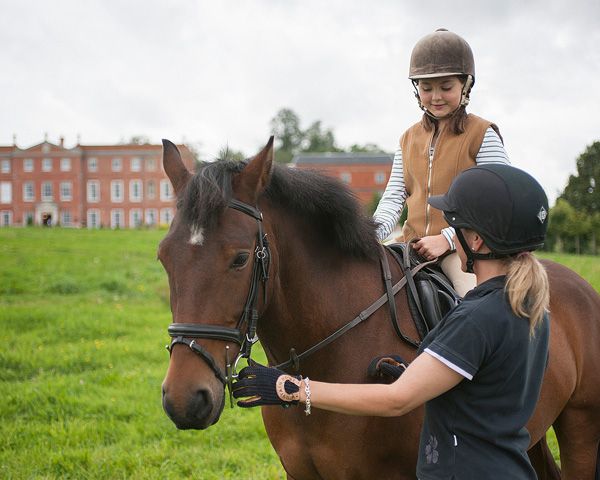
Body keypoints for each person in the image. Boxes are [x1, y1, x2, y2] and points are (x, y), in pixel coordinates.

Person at [233, 164, 551, 479]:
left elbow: (396, 401)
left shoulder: (474, 318)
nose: (452, 234)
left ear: (476, 241)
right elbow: (486, 384)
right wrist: (413, 373)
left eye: (457, 228)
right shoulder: (528, 305)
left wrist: (291, 388)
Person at [373, 28, 510, 296]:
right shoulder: (407, 139)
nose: (436, 97)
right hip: (409, 244)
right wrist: (371, 236)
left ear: (465, 85)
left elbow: (496, 202)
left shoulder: (483, 135)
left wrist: (447, 239)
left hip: (464, 251)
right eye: (427, 88)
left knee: (474, 302)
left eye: (446, 87)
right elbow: (393, 198)